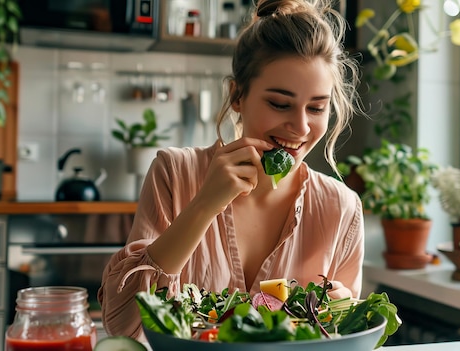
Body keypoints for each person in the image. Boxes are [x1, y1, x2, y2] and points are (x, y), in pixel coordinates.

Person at [98, 0, 366, 340]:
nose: (300, 127)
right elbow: (123, 326)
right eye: (279, 104)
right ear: (237, 96)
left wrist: (340, 317)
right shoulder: (175, 173)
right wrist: (205, 204)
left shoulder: (341, 208)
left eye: (316, 107)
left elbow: (341, 343)